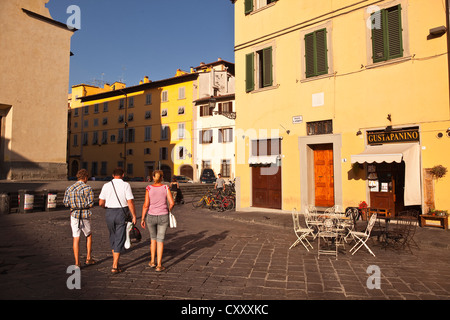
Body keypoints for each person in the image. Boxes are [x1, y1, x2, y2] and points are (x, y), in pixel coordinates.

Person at [99, 168, 137, 274]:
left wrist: (106, 207)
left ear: (112, 175)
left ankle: (115, 262)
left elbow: (101, 202)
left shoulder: (106, 185)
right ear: (123, 175)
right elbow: (130, 202)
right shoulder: (126, 185)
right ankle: (115, 265)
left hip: (109, 212)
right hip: (122, 212)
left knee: (112, 235)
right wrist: (133, 215)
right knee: (120, 237)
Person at [141, 170, 174, 272]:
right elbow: (172, 202)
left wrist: (142, 218)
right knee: (160, 240)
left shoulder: (149, 188)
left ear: (153, 177)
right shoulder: (165, 187)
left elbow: (146, 205)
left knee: (153, 239)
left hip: (151, 216)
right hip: (163, 215)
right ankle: (159, 265)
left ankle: (152, 261)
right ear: (162, 177)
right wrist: (167, 210)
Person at [63, 169, 95, 268]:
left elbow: (66, 203)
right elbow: (91, 203)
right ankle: (88, 258)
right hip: (85, 214)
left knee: (76, 238)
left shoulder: (69, 188)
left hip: (74, 214)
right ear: (85, 178)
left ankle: (77, 262)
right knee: (88, 235)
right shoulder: (88, 188)